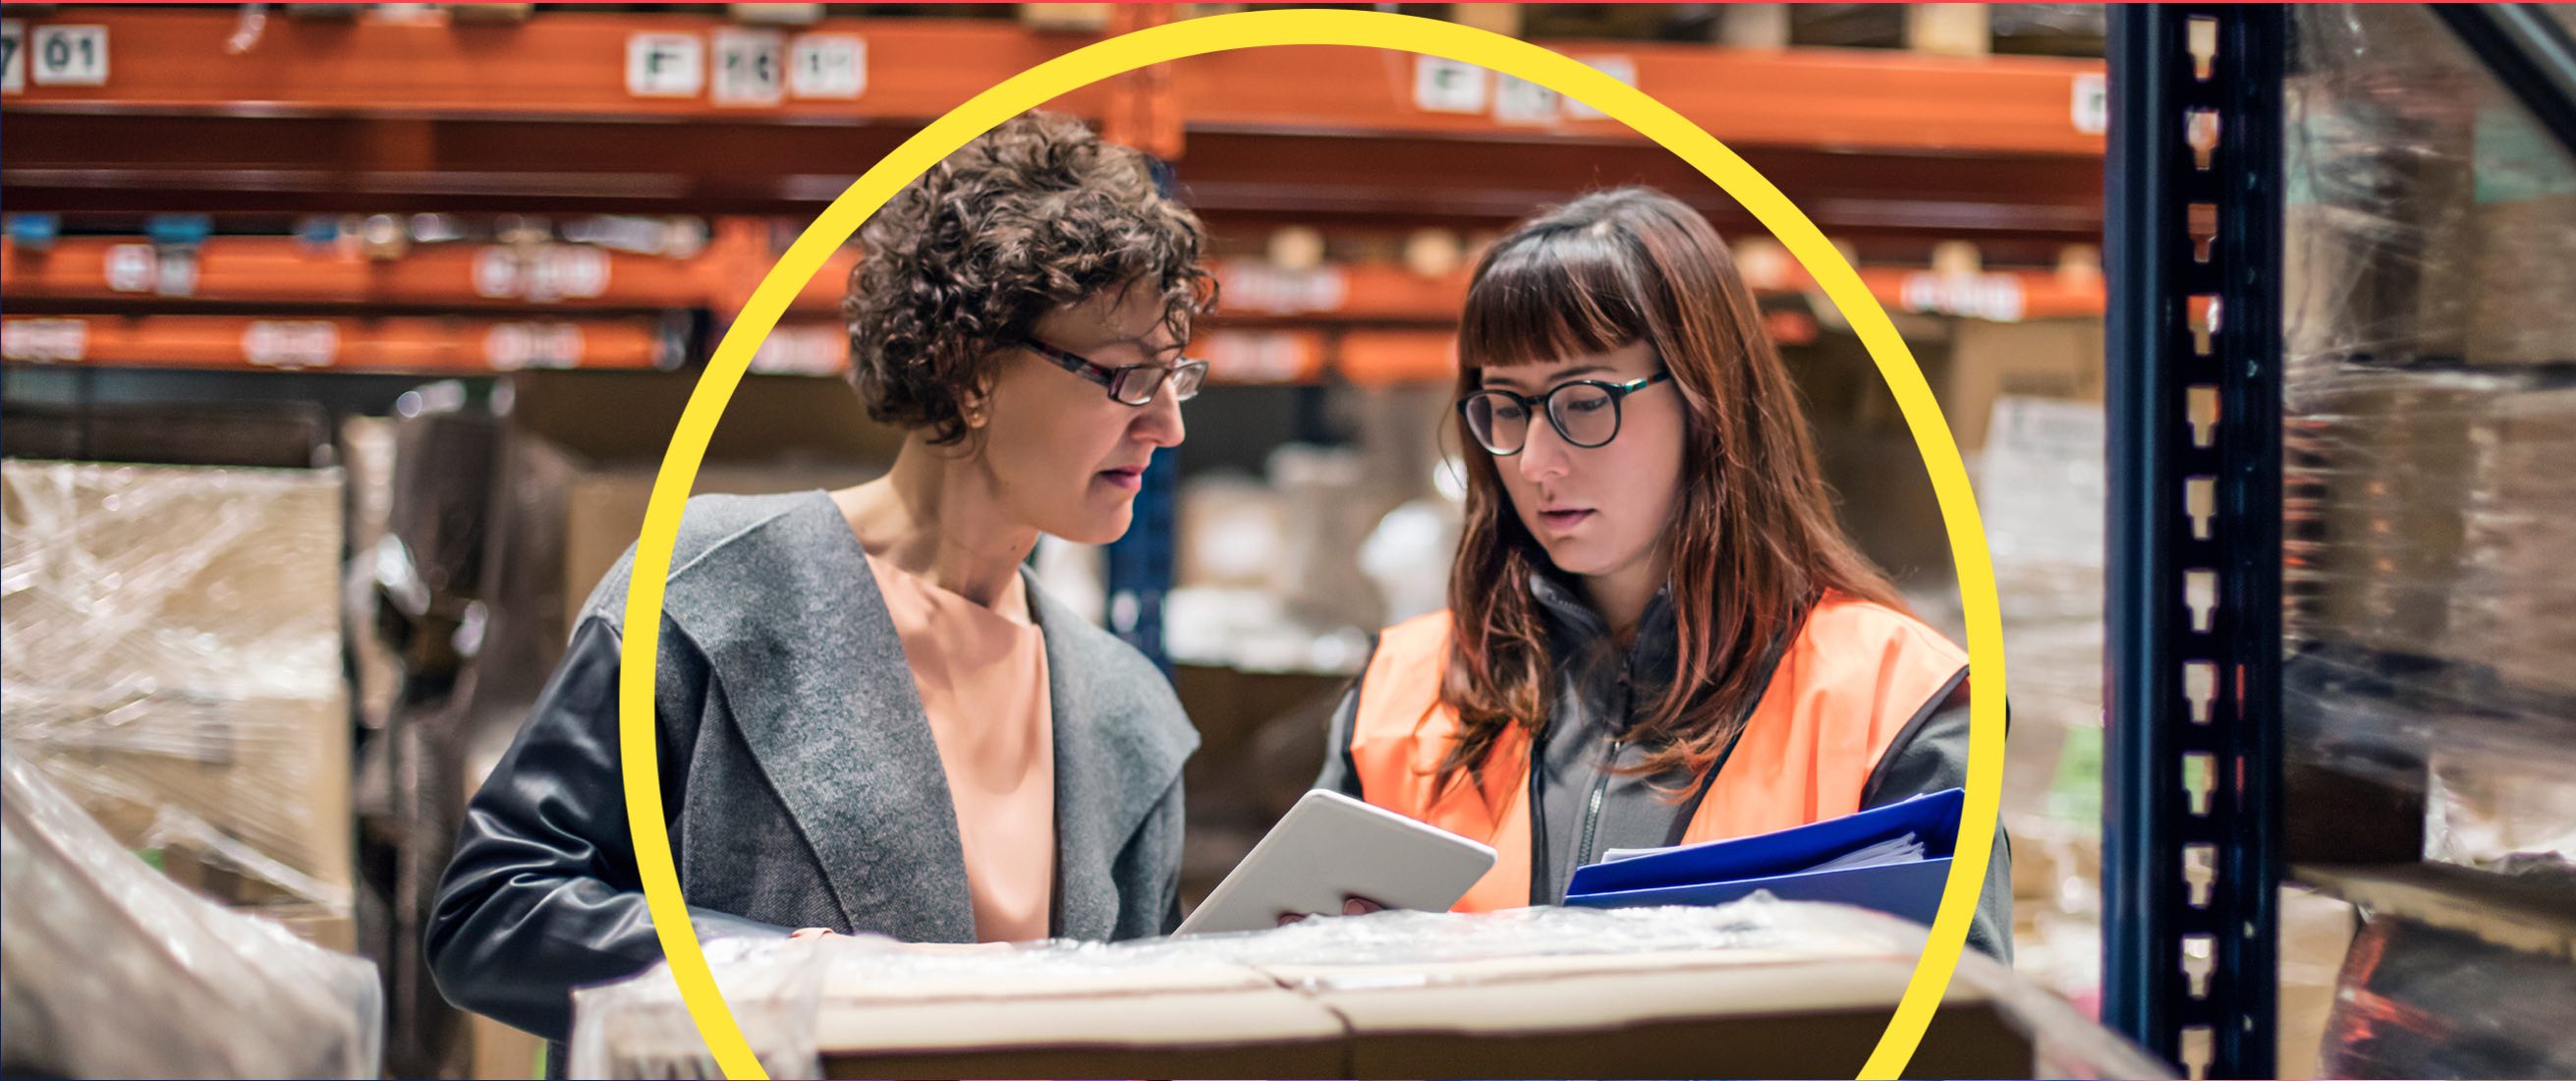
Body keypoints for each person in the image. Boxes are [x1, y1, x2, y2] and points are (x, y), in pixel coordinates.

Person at [427, 111, 1213, 1056]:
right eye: (1128, 376)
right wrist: (775, 978)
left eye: (1177, 378)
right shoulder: (713, 593)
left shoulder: (1126, 712)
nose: (1165, 426)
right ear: (969, 372)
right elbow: (494, 911)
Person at [1313, 187, 2010, 958]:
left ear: (1706, 400)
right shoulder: (1400, 694)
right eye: (1506, 407)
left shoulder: (1894, 698)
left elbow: (1959, 1042)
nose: (1538, 461)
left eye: (1584, 402)